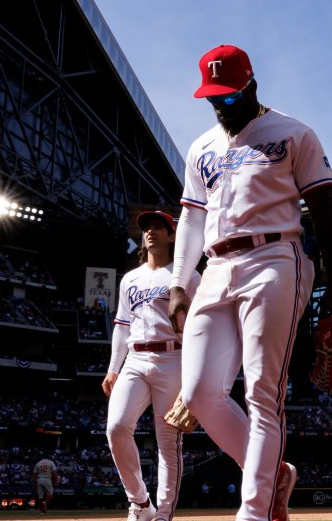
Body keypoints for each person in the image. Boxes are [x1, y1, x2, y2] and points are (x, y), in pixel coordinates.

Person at [168, 44, 332, 521]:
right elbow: (189, 222)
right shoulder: (200, 147)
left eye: (228, 95)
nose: (219, 104)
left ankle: (254, 511)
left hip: (275, 257)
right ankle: (273, 474)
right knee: (202, 394)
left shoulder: (292, 133)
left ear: (251, 86)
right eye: (212, 96)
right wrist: (178, 283)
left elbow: (327, 213)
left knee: (262, 393)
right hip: (214, 268)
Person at [104, 210, 201, 521]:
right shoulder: (130, 279)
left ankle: (163, 516)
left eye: (159, 227)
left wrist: (194, 375)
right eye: (147, 228)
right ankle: (141, 503)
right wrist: (113, 367)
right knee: (116, 427)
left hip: (174, 358)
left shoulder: (188, 276)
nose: (151, 232)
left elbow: (201, 328)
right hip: (134, 359)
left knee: (168, 442)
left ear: (172, 236)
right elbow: (121, 325)